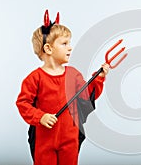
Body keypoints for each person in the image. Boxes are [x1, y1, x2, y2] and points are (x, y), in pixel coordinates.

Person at [16, 10, 109, 165]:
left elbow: (86, 97)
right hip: (44, 140)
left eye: (69, 43)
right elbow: (23, 104)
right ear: (48, 49)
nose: (70, 48)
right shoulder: (34, 78)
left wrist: (98, 79)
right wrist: (41, 117)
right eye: (64, 44)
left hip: (70, 138)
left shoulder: (73, 75)